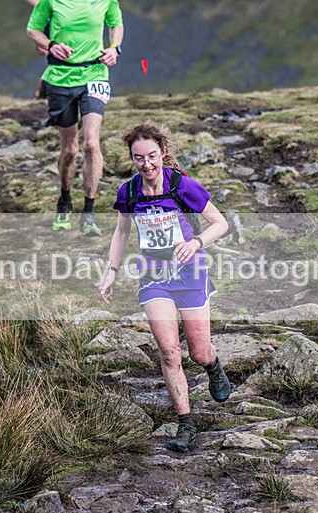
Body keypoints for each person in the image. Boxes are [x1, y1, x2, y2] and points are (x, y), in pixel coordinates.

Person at [98, 121, 232, 453]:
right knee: (170, 352)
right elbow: (121, 234)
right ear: (132, 158)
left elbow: (221, 223)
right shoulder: (128, 192)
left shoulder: (183, 186)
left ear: (163, 153)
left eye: (152, 156)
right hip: (154, 276)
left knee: (198, 352)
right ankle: (186, 424)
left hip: (190, 273)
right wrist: (111, 271)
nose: (146, 164)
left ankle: (213, 367)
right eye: (139, 158)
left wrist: (197, 242)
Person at [26, 0, 124, 237]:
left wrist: (114, 48)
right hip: (60, 78)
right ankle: (65, 199)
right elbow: (33, 29)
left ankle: (88, 213)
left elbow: (116, 22)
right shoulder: (51, 1)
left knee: (91, 144)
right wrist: (50, 45)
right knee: (70, 149)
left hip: (95, 75)